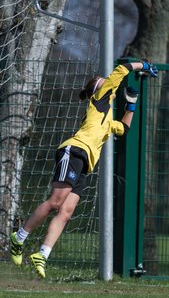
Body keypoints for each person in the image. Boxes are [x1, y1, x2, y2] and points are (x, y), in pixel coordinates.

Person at [9, 60, 158, 278]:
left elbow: (124, 128)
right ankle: (19, 237)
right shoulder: (99, 99)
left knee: (66, 212)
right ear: (98, 89)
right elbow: (121, 69)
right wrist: (144, 64)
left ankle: (42, 254)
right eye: (104, 82)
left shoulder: (105, 116)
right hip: (74, 152)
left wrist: (131, 104)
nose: (109, 82)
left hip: (84, 163)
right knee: (55, 202)